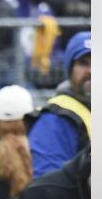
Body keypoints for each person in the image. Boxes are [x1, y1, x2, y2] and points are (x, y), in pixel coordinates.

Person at [28, 32, 90, 177]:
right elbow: (48, 187)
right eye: (83, 63)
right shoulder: (54, 120)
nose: (91, 71)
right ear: (70, 70)